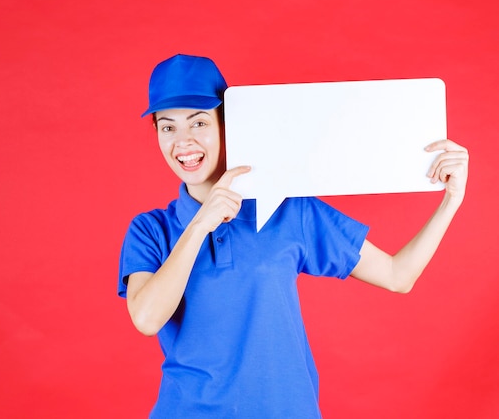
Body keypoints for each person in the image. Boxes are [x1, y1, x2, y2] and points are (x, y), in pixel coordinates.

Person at [118, 54, 468, 418]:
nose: (183, 142)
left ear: (228, 124)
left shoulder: (287, 209)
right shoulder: (150, 230)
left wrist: (451, 201)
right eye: (167, 127)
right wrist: (199, 225)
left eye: (199, 122)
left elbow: (398, 275)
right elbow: (146, 318)